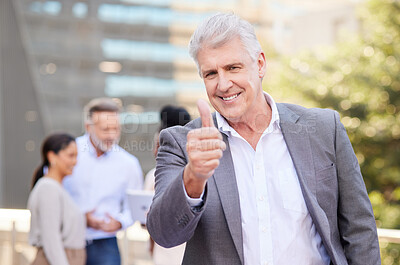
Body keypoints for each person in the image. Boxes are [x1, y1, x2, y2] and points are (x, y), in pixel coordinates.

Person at [146, 13, 380, 265]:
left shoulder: (324, 129)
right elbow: (164, 234)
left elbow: (359, 230)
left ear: (260, 64)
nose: (223, 84)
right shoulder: (181, 143)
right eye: (211, 73)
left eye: (233, 67)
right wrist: (194, 177)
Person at [63, 98, 143, 265]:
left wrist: (119, 222)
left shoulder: (128, 163)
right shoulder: (68, 154)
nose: (111, 135)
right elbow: (55, 193)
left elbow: (134, 206)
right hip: (66, 240)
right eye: (105, 129)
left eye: (116, 129)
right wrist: (80, 217)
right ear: (88, 127)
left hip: (106, 244)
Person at [143, 105, 191, 265]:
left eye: (159, 146)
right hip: (163, 250)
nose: (155, 151)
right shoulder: (153, 175)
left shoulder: (193, 174)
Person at [28, 133, 86, 265]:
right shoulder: (48, 188)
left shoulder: (57, 188)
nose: (75, 162)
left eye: (76, 156)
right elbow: (51, 239)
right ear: (52, 156)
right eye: (70, 155)